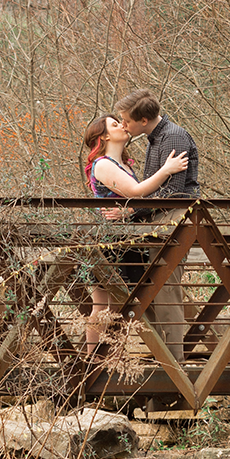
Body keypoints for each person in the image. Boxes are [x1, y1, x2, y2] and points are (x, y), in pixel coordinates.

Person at [82, 114, 188, 353]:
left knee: (125, 303)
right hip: (111, 243)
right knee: (103, 305)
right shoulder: (103, 164)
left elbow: (133, 201)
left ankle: (115, 357)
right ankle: (93, 361)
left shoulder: (125, 164)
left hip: (129, 240)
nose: (122, 125)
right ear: (105, 135)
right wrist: (166, 170)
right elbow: (137, 191)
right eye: (114, 123)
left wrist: (129, 211)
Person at [116, 89, 200, 360]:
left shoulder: (173, 137)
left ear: (142, 120)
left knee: (165, 288)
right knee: (154, 287)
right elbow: (155, 193)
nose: (123, 126)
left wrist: (130, 212)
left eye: (126, 120)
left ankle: (174, 361)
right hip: (159, 222)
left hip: (173, 220)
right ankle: (166, 354)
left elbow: (172, 194)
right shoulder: (155, 139)